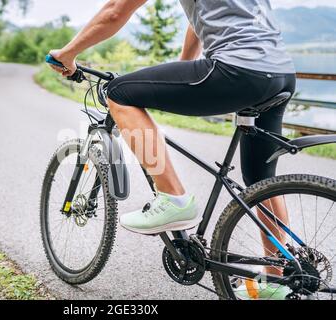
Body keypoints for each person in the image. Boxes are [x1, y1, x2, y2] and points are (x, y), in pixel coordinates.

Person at [48, 0, 296, 299]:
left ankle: (174, 200)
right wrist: (183, 68)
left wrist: (67, 54)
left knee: (119, 93)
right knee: (261, 180)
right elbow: (198, 17)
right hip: (280, 73)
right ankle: (276, 279)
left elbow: (116, 10)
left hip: (237, 69)